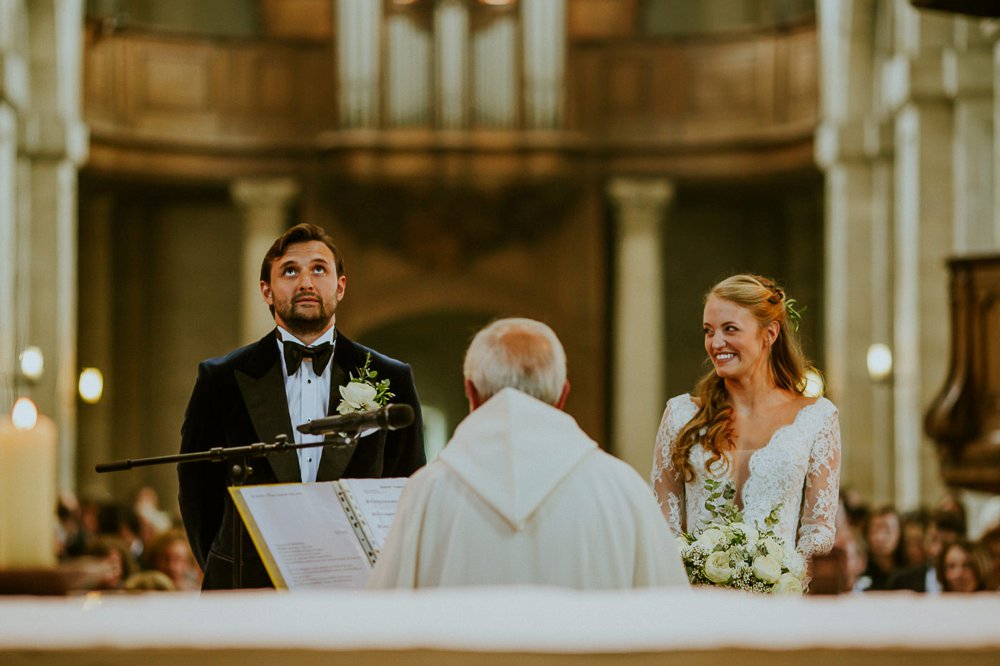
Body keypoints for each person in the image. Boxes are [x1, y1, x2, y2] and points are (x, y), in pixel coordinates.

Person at [179, 223, 425, 589]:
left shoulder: (389, 377)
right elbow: (197, 492)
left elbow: (407, 487)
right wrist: (231, 567)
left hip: (356, 588)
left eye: (319, 269)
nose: (306, 282)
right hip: (249, 588)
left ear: (340, 287)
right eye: (290, 271)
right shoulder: (221, 378)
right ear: (266, 289)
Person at [368, 318, 688, 589]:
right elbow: (670, 621)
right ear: (563, 396)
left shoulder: (429, 491)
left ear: (471, 393)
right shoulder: (621, 488)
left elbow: (382, 627)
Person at [651, 274, 841, 564]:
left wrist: (784, 581)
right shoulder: (681, 416)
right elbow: (664, 527)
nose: (716, 343)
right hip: (698, 599)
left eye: (730, 329)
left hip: (780, 601)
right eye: (708, 331)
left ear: (770, 333)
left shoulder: (816, 417)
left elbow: (818, 531)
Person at [885, 510, 964, 593]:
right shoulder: (901, 581)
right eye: (933, 540)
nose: (938, 549)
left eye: (946, 544)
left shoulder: (968, 582)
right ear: (924, 540)